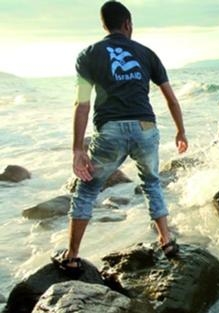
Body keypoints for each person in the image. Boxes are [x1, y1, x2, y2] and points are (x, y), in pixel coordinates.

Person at [52, 1, 188, 276]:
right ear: (128, 24)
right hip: (145, 127)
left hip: (111, 130)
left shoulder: (88, 54)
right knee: (151, 183)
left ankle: (72, 256)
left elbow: (82, 104)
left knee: (88, 189)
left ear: (105, 25)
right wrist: (180, 131)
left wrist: (78, 148)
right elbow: (171, 99)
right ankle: (167, 240)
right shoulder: (147, 53)